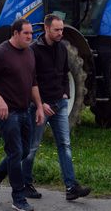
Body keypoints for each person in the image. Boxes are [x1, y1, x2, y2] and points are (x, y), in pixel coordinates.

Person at [21, 14, 91, 201]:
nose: (60, 33)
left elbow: (64, 73)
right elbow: (29, 81)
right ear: (46, 29)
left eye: (62, 30)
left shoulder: (62, 48)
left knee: (65, 145)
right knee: (32, 147)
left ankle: (71, 187)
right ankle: (24, 184)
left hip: (59, 105)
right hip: (39, 107)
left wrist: (65, 93)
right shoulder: (33, 50)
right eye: (56, 30)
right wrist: (40, 104)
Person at [0, 19, 45, 211]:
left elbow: (33, 82)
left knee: (24, 151)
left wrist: (39, 106)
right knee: (15, 153)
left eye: (31, 33)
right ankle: (19, 198)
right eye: (26, 34)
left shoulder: (29, 52)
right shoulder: (0, 54)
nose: (30, 37)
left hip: (25, 110)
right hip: (6, 112)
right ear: (15, 33)